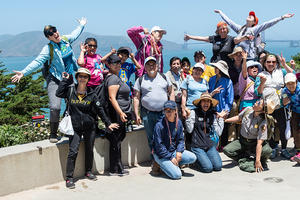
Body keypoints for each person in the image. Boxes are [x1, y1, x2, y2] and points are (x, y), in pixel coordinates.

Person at [11, 17, 87, 143]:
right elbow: (38, 61)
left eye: (55, 31)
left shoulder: (66, 40)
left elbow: (75, 34)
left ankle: (68, 129)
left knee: (73, 104)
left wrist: (82, 25)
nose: (55, 34)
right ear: (48, 38)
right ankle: (53, 133)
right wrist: (23, 72)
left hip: (69, 79)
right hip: (55, 79)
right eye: (51, 34)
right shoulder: (48, 49)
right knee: (55, 107)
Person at [55, 68, 110, 188]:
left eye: (85, 77)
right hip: (74, 127)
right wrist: (64, 80)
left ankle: (88, 171)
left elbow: (100, 110)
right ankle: (69, 178)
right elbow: (58, 93)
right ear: (77, 77)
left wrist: (108, 123)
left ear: (88, 79)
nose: (82, 79)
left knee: (89, 149)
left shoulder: (91, 93)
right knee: (73, 151)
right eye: (80, 76)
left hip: (89, 127)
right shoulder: (70, 90)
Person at [255, 53, 294, 159]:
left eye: (273, 62)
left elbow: (293, 74)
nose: (271, 64)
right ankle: (273, 148)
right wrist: (262, 83)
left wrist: (284, 64)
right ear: (264, 63)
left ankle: (284, 149)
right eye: (268, 62)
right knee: (269, 128)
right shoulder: (260, 75)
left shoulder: (282, 72)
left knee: (283, 127)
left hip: (281, 105)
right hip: (267, 106)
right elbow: (258, 92)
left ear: (276, 63)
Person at [215, 9, 294, 60]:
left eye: (252, 17)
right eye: (250, 15)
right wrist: (220, 12)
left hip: (250, 58)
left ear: (254, 22)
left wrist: (282, 17)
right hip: (240, 57)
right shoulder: (240, 29)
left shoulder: (254, 30)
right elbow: (229, 22)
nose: (250, 16)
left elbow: (268, 24)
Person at [134, 56, 174, 152]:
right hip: (147, 114)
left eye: (153, 65)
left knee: (165, 135)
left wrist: (172, 108)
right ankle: (155, 160)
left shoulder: (164, 77)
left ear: (157, 66)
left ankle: (166, 159)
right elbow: (136, 98)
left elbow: (171, 92)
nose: (151, 67)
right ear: (145, 67)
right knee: (151, 137)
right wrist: (137, 114)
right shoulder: (140, 80)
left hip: (163, 113)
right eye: (148, 65)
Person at [100, 54, 132, 176]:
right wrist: (121, 112)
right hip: (116, 114)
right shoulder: (113, 78)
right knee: (116, 140)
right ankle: (116, 168)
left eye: (119, 62)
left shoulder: (114, 77)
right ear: (109, 65)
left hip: (118, 114)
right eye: (114, 63)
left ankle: (117, 167)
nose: (118, 65)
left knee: (117, 140)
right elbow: (112, 98)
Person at [223, 99, 273, 173]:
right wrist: (226, 120)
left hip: (254, 143)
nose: (256, 102)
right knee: (227, 150)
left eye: (259, 103)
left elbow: (259, 143)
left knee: (267, 151)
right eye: (258, 101)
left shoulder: (263, 122)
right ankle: (244, 158)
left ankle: (261, 161)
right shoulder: (248, 110)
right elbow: (238, 117)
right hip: (242, 141)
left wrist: (257, 161)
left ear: (262, 110)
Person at [153, 100, 196, 179]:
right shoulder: (159, 125)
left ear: (175, 111)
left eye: (170, 111)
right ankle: (159, 164)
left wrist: (179, 151)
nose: (168, 113)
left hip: (173, 151)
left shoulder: (178, 122)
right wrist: (170, 157)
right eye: (166, 111)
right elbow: (159, 146)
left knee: (192, 157)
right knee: (177, 175)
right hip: (161, 154)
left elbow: (181, 139)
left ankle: (172, 165)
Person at [190, 93, 223, 173]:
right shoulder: (193, 113)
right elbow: (189, 130)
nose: (206, 103)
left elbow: (219, 132)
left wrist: (221, 119)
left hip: (209, 146)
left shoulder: (213, 115)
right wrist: (188, 118)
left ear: (210, 104)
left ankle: (204, 158)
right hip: (197, 146)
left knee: (218, 166)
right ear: (200, 103)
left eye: (208, 101)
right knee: (208, 168)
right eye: (204, 101)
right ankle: (194, 162)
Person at [208, 60, 234, 143]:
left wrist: (226, 111)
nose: (214, 69)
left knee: (223, 128)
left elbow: (229, 98)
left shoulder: (227, 81)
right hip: (211, 108)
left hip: (222, 109)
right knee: (212, 126)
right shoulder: (211, 79)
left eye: (216, 67)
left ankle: (222, 145)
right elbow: (208, 93)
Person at [181, 63, 209, 134]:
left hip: (203, 109)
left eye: (200, 70)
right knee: (190, 130)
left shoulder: (204, 82)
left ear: (202, 72)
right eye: (196, 69)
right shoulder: (187, 80)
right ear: (193, 70)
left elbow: (207, 96)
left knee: (201, 129)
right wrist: (183, 110)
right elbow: (184, 96)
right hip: (191, 108)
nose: (198, 71)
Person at [281, 73, 300, 163]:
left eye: (292, 83)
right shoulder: (285, 91)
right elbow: (285, 103)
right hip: (295, 111)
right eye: (288, 83)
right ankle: (298, 151)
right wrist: (285, 103)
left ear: (296, 82)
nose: (291, 85)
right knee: (295, 130)